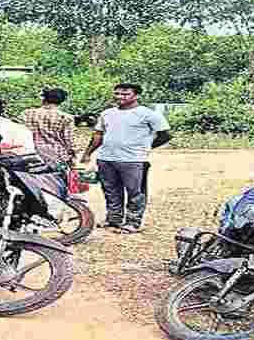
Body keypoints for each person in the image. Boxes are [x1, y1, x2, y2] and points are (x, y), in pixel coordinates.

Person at [80, 83, 172, 233]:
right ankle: (113, 219)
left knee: (135, 192)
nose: (120, 97)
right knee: (110, 190)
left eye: (125, 94)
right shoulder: (107, 113)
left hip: (134, 160)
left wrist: (147, 147)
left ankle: (132, 222)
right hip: (106, 158)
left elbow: (166, 134)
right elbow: (98, 135)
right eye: (117, 94)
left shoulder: (148, 114)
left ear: (136, 95)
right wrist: (88, 153)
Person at [21, 88, 78, 168]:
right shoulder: (65, 117)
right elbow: (69, 140)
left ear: (44, 98)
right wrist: (73, 155)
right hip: (57, 155)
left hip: (31, 153)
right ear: (61, 101)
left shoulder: (27, 113)